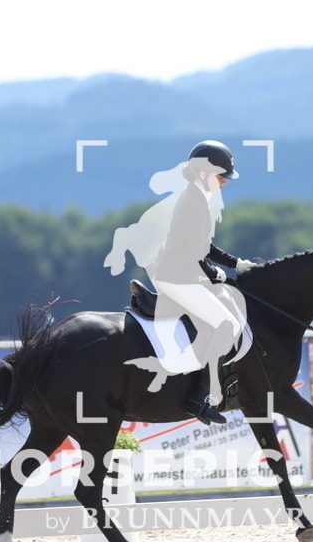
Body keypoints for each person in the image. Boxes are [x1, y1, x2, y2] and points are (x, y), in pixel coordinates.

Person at [106, 140, 258, 424]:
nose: (225, 181)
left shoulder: (199, 198)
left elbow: (205, 245)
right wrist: (215, 274)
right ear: (202, 173)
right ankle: (199, 397)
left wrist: (236, 264)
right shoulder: (192, 201)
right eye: (221, 175)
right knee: (226, 325)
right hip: (177, 276)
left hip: (182, 272)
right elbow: (191, 251)